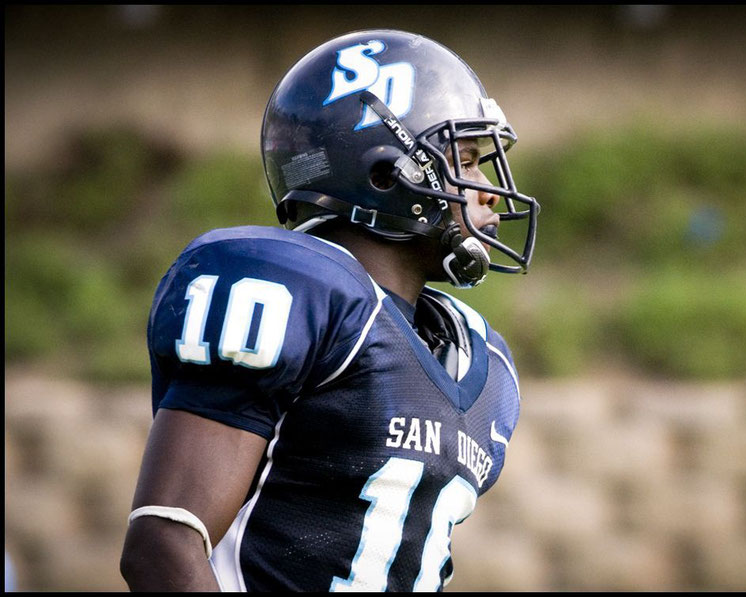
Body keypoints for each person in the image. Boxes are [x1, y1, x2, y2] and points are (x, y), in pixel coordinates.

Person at [120, 29, 539, 592]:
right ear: (388, 171)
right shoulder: (287, 286)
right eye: (466, 159)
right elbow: (164, 544)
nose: (486, 190)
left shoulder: (483, 358)